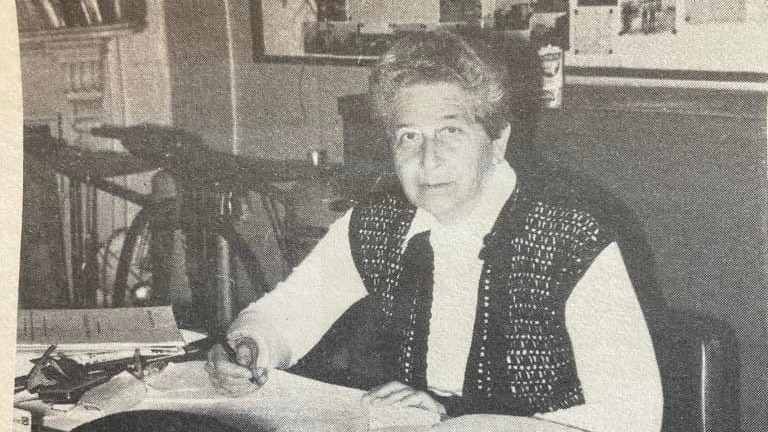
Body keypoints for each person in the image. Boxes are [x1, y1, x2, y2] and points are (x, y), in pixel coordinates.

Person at [206, 30, 663, 431]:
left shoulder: (569, 236)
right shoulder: (380, 221)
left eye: (450, 131)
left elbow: (632, 416)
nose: (428, 160)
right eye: (409, 136)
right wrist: (251, 346)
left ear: (497, 139)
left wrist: (454, 418)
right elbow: (293, 309)